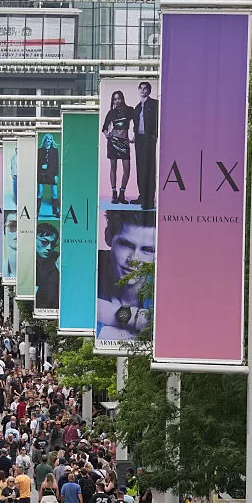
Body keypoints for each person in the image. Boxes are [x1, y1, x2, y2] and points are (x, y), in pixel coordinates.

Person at [96, 210, 156, 342]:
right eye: (126, 245)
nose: (133, 260)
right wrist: (137, 320)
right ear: (108, 236)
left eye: (148, 250)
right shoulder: (87, 270)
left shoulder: (164, 286)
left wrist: (109, 313)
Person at [130, 82, 158, 211]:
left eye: (145, 88)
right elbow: (136, 125)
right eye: (140, 88)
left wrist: (154, 136)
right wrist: (135, 137)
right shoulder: (137, 107)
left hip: (149, 139)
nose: (142, 90)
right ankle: (142, 196)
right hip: (139, 140)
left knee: (149, 169)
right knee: (140, 168)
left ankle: (149, 200)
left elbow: (158, 121)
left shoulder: (154, 104)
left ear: (149, 90)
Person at [101, 90, 133, 205]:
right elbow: (104, 127)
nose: (117, 101)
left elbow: (138, 123)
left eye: (119, 98)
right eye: (115, 99)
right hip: (113, 141)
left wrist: (134, 137)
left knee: (127, 169)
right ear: (112, 101)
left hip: (124, 142)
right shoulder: (111, 112)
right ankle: (114, 193)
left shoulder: (130, 110)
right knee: (113, 168)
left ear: (122, 98)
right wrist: (106, 135)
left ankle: (122, 193)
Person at [34, 223, 60, 312]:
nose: (49, 248)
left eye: (52, 244)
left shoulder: (57, 260)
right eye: (44, 242)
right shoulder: (25, 261)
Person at [3, 212, 18, 278]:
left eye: (24, 226)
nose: (18, 232)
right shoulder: (1, 268)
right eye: (12, 226)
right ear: (4, 231)